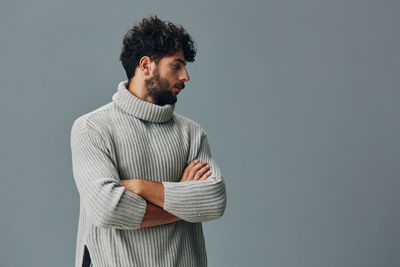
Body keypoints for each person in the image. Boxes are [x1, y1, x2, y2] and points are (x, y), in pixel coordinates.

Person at [70, 15, 227, 267]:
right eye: (176, 65)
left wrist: (141, 187)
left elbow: (214, 200)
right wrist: (184, 201)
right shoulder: (92, 128)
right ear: (146, 66)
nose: (185, 76)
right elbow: (107, 209)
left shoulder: (192, 133)